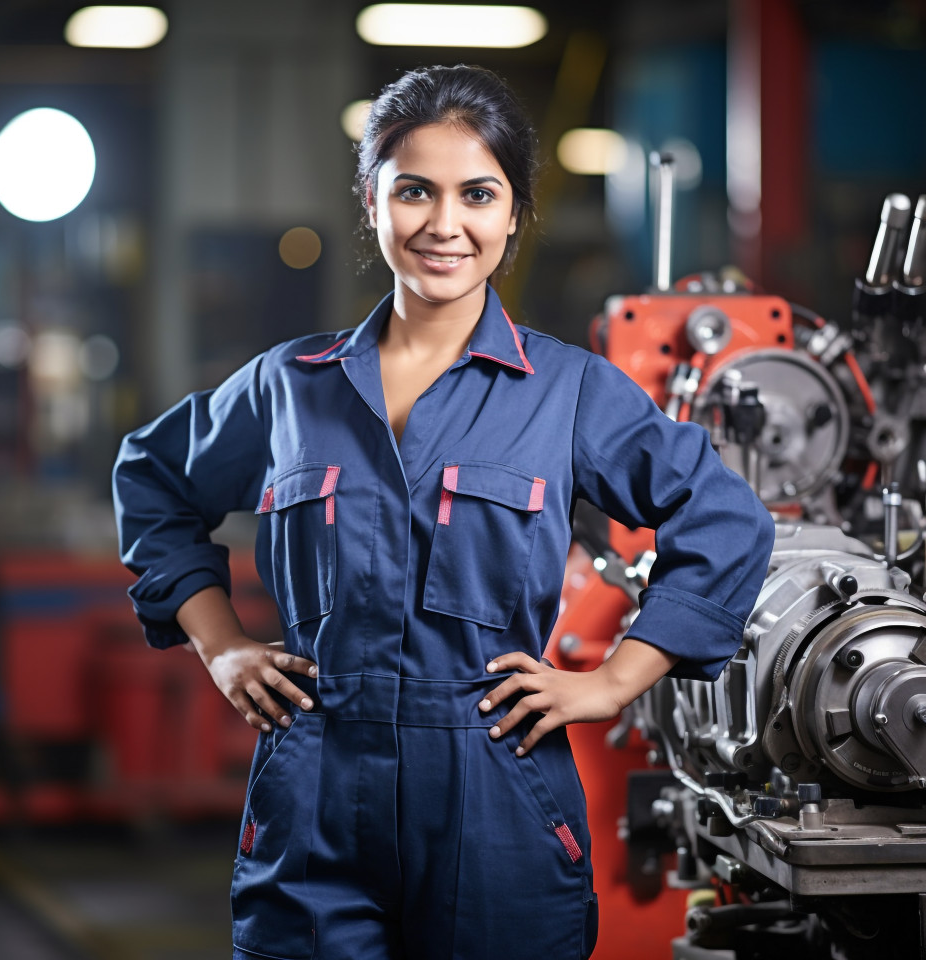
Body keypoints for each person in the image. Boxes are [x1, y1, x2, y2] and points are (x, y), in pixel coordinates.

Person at [113, 64, 775, 960]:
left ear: (513, 214)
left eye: (478, 193)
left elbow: (725, 518)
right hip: (313, 790)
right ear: (373, 204)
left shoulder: (570, 392)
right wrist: (221, 643)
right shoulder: (287, 388)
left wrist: (613, 681)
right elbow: (153, 476)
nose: (444, 224)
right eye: (414, 190)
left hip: (495, 788)